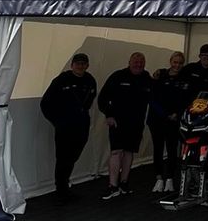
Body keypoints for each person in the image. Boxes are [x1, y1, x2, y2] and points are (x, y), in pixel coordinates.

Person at [39, 52, 97, 199]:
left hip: (81, 126)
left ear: (87, 65)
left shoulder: (90, 80)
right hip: (65, 127)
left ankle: (65, 186)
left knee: (73, 156)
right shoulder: (62, 80)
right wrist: (57, 121)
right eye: (77, 63)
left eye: (83, 63)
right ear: (72, 65)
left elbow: (90, 99)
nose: (80, 66)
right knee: (63, 158)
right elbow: (45, 103)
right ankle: (60, 190)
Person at [96, 51, 152, 199]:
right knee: (116, 152)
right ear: (129, 62)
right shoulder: (118, 76)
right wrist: (109, 115)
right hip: (117, 122)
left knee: (129, 152)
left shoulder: (147, 78)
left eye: (141, 62)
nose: (138, 64)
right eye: (135, 61)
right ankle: (112, 186)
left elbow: (155, 98)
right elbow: (102, 98)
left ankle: (124, 183)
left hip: (136, 123)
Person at [149, 51, 192, 193]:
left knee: (172, 149)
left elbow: (187, 100)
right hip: (157, 119)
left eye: (180, 63)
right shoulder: (160, 75)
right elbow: (153, 98)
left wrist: (177, 114)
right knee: (158, 149)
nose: (177, 65)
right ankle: (159, 178)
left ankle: (170, 179)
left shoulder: (185, 79)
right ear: (170, 61)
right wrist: (165, 114)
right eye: (175, 62)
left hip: (174, 120)